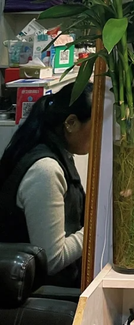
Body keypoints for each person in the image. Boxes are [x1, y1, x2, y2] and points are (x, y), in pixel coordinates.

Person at [0, 81, 92, 287]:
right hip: (43, 290)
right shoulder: (45, 171)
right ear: (71, 123)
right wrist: (96, 229)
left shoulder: (58, 152)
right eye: (96, 125)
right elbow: (52, 259)